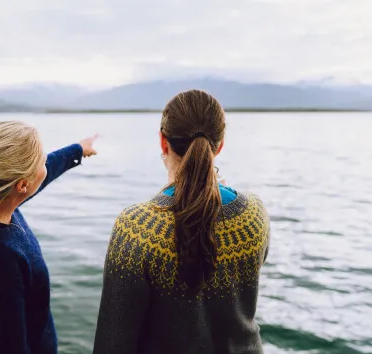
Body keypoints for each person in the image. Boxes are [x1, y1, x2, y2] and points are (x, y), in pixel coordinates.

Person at [94, 90, 270, 354]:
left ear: (163, 142)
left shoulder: (137, 228)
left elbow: (113, 343)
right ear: (219, 146)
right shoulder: (254, 213)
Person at [0, 121, 97, 354]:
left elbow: (46, 171)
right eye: (41, 160)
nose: (47, 162)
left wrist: (77, 150)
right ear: (22, 185)